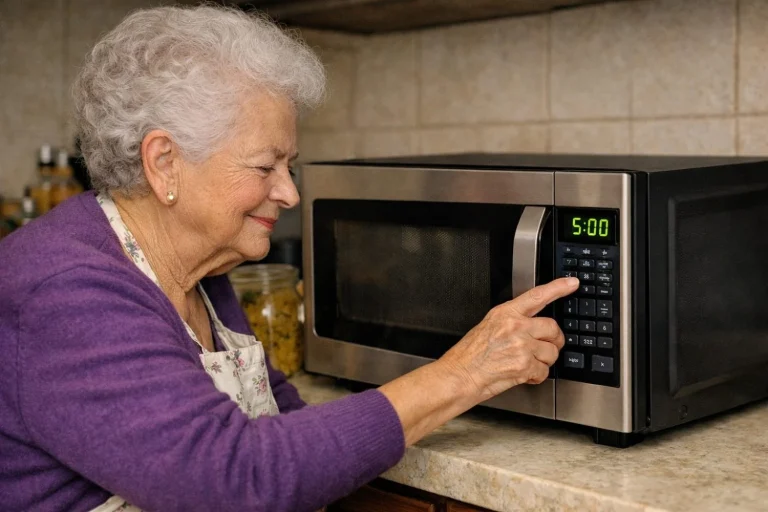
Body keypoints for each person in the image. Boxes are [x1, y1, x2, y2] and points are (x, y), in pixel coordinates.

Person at [0, 5, 579, 512]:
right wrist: (461, 374)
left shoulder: (198, 274)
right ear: (165, 162)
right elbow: (233, 482)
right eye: (264, 167)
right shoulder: (67, 290)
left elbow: (286, 426)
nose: (290, 193)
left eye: (290, 165)